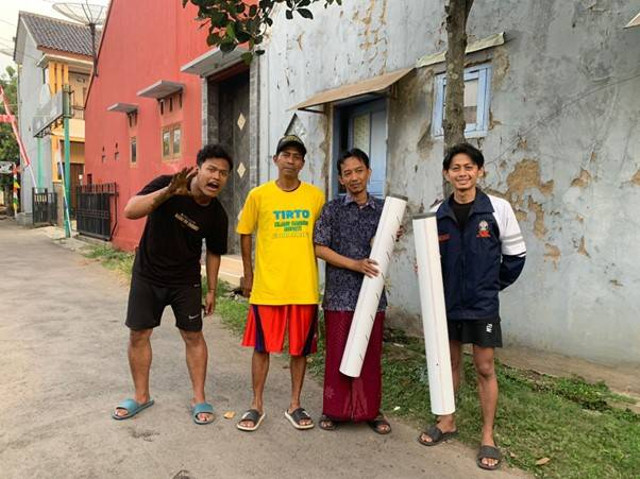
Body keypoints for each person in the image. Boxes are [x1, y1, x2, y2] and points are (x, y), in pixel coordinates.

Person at [417, 143, 526, 470]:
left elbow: (516, 257)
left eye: (469, 167)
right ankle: (447, 420)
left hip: (481, 307)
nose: (462, 173)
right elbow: (427, 259)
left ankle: (488, 436)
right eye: (456, 168)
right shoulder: (437, 212)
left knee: (484, 368)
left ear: (480, 171)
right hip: (446, 306)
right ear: (446, 174)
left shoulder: (498, 208)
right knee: (449, 364)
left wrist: (490, 287)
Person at [112, 144, 232, 425]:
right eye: (211, 169)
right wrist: (167, 193)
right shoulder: (167, 184)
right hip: (148, 274)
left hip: (185, 281)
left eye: (224, 173)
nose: (216, 177)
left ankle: (199, 397)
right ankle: (141, 397)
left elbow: (214, 252)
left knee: (193, 336)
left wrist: (212, 290)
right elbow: (130, 210)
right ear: (199, 168)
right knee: (138, 335)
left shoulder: (217, 214)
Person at [236, 135, 325, 432]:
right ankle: (256, 405)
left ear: (303, 163)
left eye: (297, 156)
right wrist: (248, 275)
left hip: (304, 287)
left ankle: (295, 404)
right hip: (268, 288)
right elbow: (245, 232)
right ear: (275, 160)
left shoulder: (315, 196)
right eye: (285, 154)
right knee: (261, 348)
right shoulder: (259, 195)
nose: (291, 160)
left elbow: (324, 236)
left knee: (299, 349)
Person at [313, 148, 391, 434]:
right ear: (341, 179)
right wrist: (355, 265)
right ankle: (335, 411)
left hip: (373, 295)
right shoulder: (332, 209)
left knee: (370, 355)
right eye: (348, 173)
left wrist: (387, 239)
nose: (355, 177)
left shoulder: (386, 210)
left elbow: (391, 242)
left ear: (369, 172)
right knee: (337, 354)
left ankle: (371, 411)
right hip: (340, 295)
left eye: (359, 171)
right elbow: (319, 248)